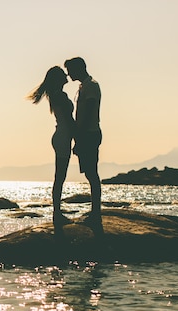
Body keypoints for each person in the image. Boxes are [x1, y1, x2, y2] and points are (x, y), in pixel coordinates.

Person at [27, 66, 74, 226]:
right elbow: (69, 120)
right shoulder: (60, 95)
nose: (66, 75)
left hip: (60, 135)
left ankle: (57, 212)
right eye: (63, 74)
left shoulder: (56, 95)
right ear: (58, 79)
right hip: (63, 136)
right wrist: (78, 137)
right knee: (60, 177)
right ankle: (57, 213)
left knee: (59, 177)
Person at [64, 57, 102, 223]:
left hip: (89, 134)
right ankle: (95, 211)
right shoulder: (83, 86)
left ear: (78, 69)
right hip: (86, 134)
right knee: (89, 173)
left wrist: (80, 138)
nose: (68, 74)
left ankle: (96, 213)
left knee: (92, 173)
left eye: (70, 70)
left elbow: (89, 112)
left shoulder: (91, 86)